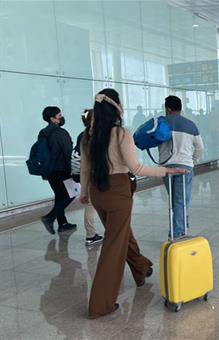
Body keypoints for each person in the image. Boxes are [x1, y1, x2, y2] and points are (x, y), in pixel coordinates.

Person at [80, 88, 186, 319]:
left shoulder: (88, 136)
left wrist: (83, 193)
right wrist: (165, 171)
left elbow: (85, 169)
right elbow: (136, 168)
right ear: (117, 107)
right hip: (118, 191)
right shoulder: (121, 134)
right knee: (114, 245)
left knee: (121, 235)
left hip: (97, 192)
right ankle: (100, 304)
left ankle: (141, 268)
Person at [158, 95, 204, 239]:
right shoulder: (190, 124)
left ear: (167, 108)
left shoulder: (161, 123)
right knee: (181, 200)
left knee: (174, 200)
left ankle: (179, 226)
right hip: (185, 166)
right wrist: (193, 160)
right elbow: (200, 148)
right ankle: (178, 232)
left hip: (166, 166)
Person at [39, 106, 76, 235]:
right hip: (62, 170)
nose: (61, 117)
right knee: (71, 193)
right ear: (52, 118)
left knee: (60, 196)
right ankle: (50, 217)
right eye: (59, 115)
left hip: (49, 171)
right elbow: (68, 153)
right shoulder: (61, 133)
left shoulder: (43, 132)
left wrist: (44, 172)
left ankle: (63, 223)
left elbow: (41, 154)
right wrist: (74, 170)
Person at [72, 109, 103, 247]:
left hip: (87, 175)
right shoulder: (99, 134)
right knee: (98, 204)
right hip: (97, 174)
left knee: (91, 205)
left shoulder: (82, 135)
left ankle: (91, 234)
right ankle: (92, 235)